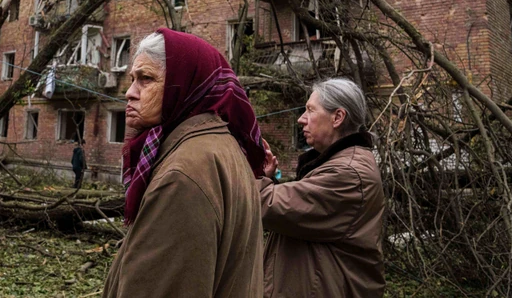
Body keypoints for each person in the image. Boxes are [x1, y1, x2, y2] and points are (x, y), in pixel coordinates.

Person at [102, 29, 266, 298]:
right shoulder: (218, 147)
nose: (130, 93)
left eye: (146, 79)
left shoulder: (183, 175)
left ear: (185, 84)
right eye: (132, 79)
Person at [259, 78, 385, 298]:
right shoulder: (337, 164)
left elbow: (268, 205)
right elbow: (294, 212)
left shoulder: (348, 174)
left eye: (310, 110)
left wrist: (250, 174)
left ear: (337, 117)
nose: (301, 119)